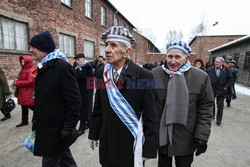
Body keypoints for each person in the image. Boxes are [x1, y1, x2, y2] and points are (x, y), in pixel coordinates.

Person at [88, 26, 158, 167]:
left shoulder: (144, 76)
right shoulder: (102, 73)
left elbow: (151, 116)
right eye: (106, 45)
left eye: (113, 45)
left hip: (131, 144)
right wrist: (94, 133)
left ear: (127, 52)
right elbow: (98, 108)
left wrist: (148, 148)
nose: (107, 49)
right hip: (108, 143)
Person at [151, 41, 214, 167]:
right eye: (170, 56)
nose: (172, 61)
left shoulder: (201, 77)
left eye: (177, 57)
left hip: (186, 137)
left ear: (187, 58)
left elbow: (206, 108)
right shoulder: (155, 74)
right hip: (162, 136)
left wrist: (202, 135)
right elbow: (147, 103)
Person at [29, 31, 81, 167]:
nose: (30, 50)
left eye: (33, 47)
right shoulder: (42, 67)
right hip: (46, 128)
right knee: (65, 160)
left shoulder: (62, 68)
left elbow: (74, 101)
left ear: (43, 48)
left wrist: (68, 127)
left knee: (50, 161)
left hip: (56, 130)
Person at [206, 57, 233, 126]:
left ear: (222, 63)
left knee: (220, 106)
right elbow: (205, 78)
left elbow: (230, 80)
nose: (217, 63)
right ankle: (212, 115)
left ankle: (219, 120)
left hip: (221, 90)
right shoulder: (209, 70)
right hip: (212, 90)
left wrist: (226, 87)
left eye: (218, 62)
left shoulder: (226, 70)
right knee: (211, 104)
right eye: (216, 62)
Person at [74, 53, 94, 135]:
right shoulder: (79, 67)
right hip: (82, 90)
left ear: (83, 59)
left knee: (84, 108)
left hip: (87, 90)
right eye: (76, 60)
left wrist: (75, 73)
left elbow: (80, 76)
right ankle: (89, 123)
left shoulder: (87, 66)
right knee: (86, 107)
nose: (77, 61)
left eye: (78, 59)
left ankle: (81, 128)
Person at [14, 55, 35, 127]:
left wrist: (18, 83)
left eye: (24, 61)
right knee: (24, 106)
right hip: (23, 91)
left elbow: (30, 81)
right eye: (21, 61)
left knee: (33, 106)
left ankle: (37, 119)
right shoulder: (23, 69)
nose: (22, 62)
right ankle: (24, 121)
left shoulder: (33, 69)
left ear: (28, 61)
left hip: (28, 92)